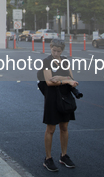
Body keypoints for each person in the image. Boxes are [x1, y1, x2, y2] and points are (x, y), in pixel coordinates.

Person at [40, 39, 78, 171]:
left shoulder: (65, 60)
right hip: (52, 97)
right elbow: (49, 82)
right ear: (50, 48)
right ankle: (48, 158)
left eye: (59, 51)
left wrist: (60, 78)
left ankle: (64, 155)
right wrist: (66, 80)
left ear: (63, 50)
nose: (56, 53)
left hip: (66, 96)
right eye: (54, 50)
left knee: (64, 127)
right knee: (51, 128)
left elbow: (72, 78)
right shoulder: (46, 61)